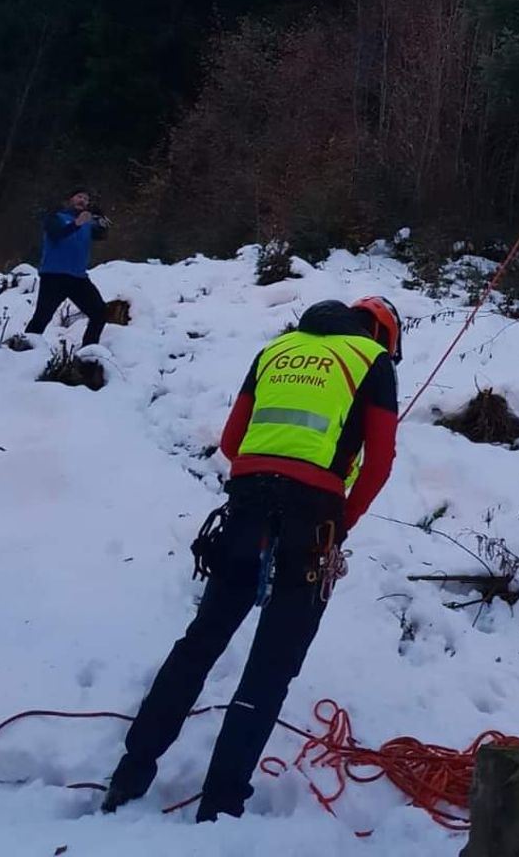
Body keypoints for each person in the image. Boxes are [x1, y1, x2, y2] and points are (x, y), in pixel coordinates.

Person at [102, 295, 402, 823]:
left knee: (201, 642)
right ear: (384, 336)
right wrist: (341, 519)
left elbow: (231, 440)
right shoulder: (371, 361)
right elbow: (379, 463)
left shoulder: (275, 350)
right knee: (271, 665)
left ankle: (130, 774)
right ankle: (219, 805)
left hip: (246, 507)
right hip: (313, 518)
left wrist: (268, 477)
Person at [22, 188, 110, 348]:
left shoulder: (87, 224)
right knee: (42, 317)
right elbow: (55, 234)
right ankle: (23, 351)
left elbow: (103, 235)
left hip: (78, 279)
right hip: (54, 277)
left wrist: (102, 220)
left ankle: (87, 354)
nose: (83, 200)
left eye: (86, 199)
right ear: (70, 199)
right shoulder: (55, 217)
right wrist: (77, 224)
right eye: (79, 196)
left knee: (100, 313)